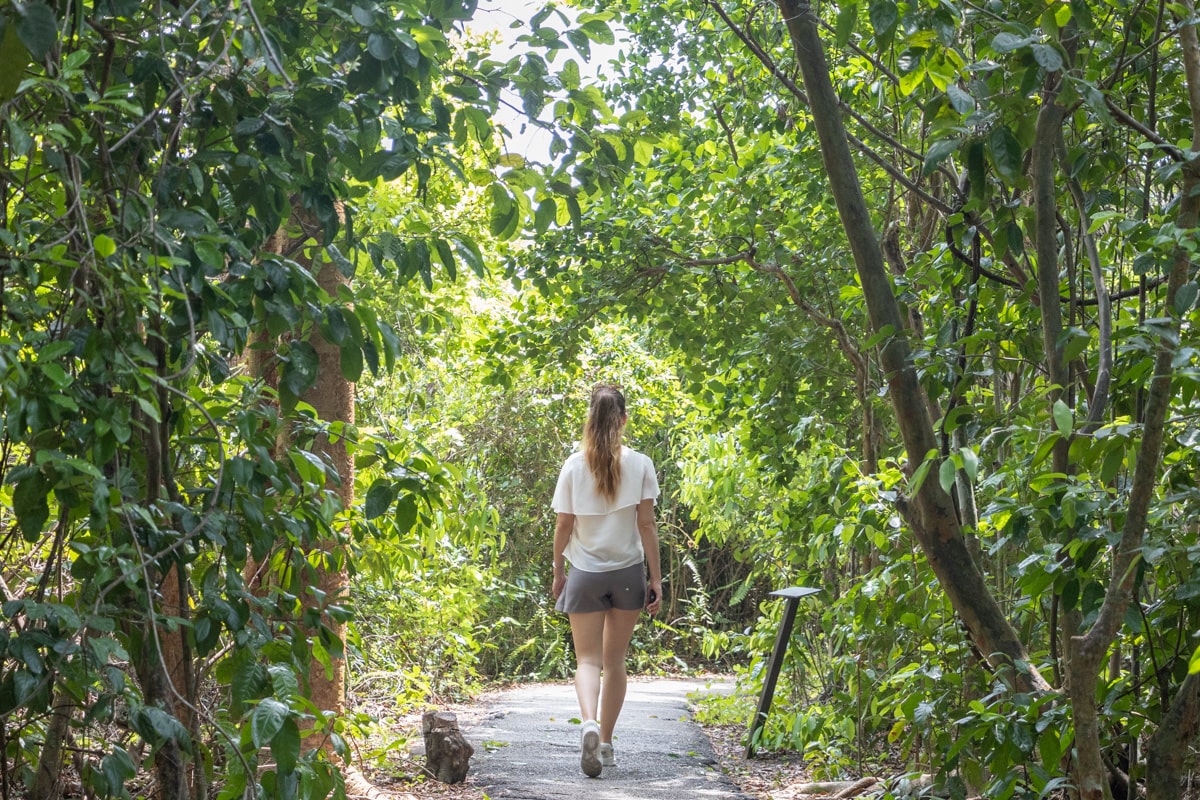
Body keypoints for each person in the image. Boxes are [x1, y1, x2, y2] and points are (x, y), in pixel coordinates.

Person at [551, 384, 663, 778]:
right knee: (615, 662)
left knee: (587, 660)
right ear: (624, 420)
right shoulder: (642, 464)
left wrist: (558, 571)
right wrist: (657, 578)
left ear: (590, 419)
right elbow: (646, 524)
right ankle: (608, 744)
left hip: (585, 573)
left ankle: (588, 725)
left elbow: (564, 525)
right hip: (628, 573)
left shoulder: (572, 466)